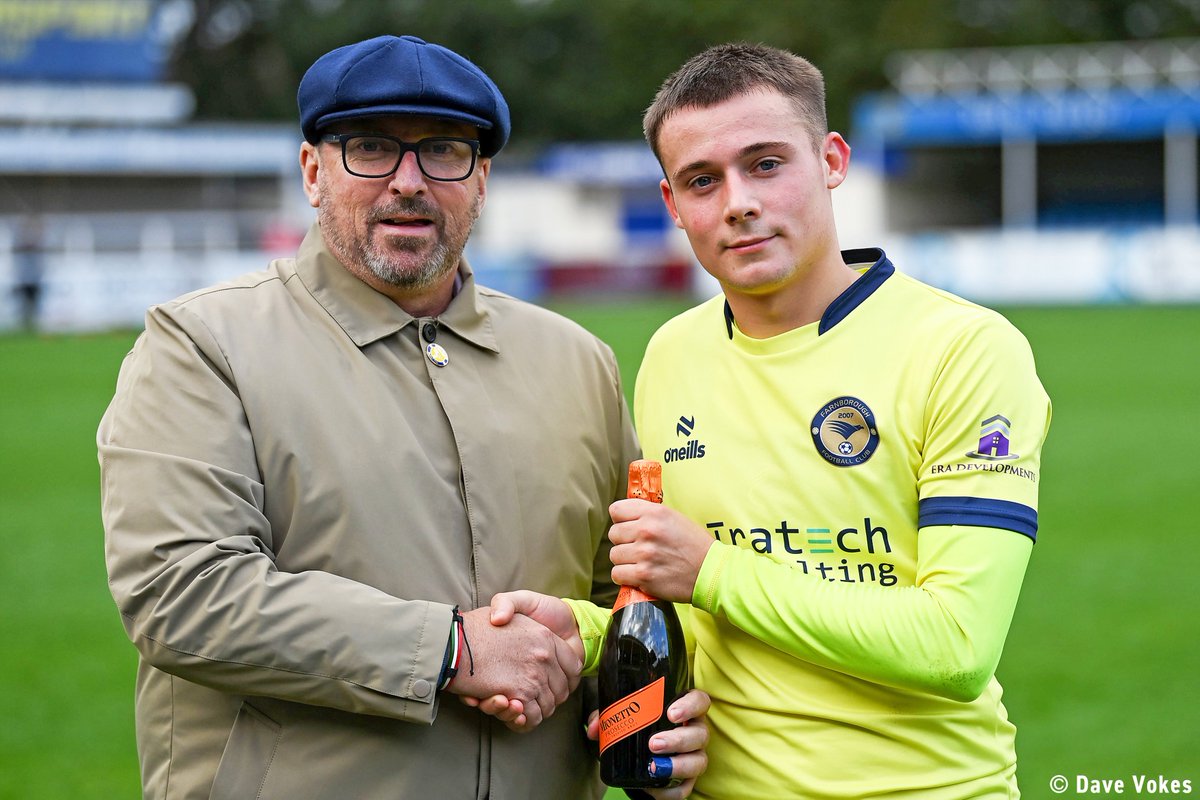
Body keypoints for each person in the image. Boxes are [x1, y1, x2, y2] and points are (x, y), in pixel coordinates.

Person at [98, 34, 706, 800]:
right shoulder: (203, 346)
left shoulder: (577, 359)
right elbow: (180, 592)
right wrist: (449, 650)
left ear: (481, 179)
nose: (409, 182)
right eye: (371, 148)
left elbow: (624, 601)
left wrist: (647, 726)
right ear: (313, 171)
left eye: (446, 151)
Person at [494, 42, 1052, 799]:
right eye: (702, 180)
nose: (738, 202)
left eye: (765, 163)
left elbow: (956, 645)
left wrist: (713, 569)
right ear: (671, 203)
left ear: (830, 159)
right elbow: (690, 609)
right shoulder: (671, 354)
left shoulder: (964, 349)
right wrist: (580, 631)